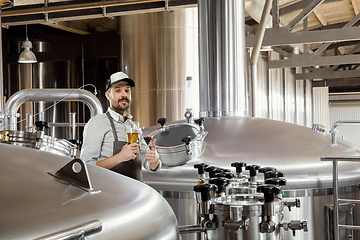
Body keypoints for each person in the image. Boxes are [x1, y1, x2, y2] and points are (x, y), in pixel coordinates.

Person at [80, 71, 161, 181]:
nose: (124, 95)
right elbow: (86, 166)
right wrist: (120, 157)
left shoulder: (134, 127)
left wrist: (154, 160)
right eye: (118, 90)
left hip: (135, 194)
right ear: (108, 95)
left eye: (127, 90)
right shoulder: (97, 123)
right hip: (110, 194)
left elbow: (149, 165)